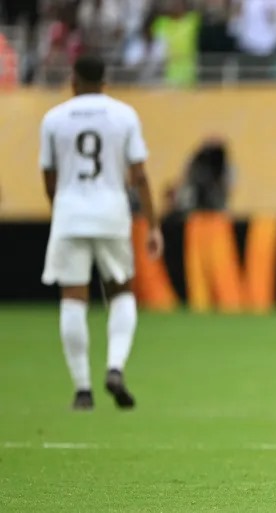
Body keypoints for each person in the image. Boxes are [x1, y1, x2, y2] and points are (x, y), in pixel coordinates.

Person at [39, 55, 163, 410]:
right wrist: (153, 224)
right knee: (121, 291)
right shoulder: (124, 115)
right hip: (111, 213)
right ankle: (115, 367)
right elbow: (139, 175)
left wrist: (62, 209)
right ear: (105, 81)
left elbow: (49, 176)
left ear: (73, 80)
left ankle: (82, 390)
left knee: (73, 297)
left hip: (69, 213)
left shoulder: (54, 118)